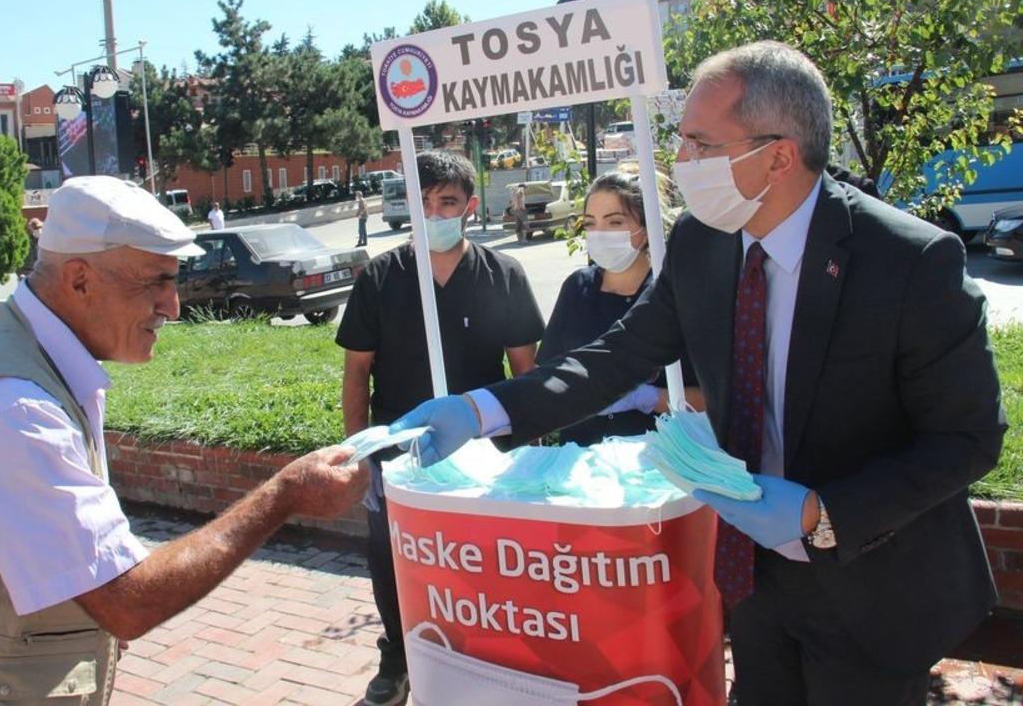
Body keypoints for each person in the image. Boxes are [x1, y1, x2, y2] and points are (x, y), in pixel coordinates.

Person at [392, 41, 1004, 705]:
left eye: (700, 145)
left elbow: (967, 438)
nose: (680, 164)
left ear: (779, 154)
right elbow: (615, 358)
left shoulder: (909, 262)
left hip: (869, 583)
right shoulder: (702, 242)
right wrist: (482, 410)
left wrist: (819, 512)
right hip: (754, 580)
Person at [0, 176, 368, 704]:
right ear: (80, 280)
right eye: (154, 281)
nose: (172, 306)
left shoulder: (6, 334)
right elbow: (128, 602)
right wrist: (284, 495)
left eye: (173, 280)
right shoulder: (13, 408)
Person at [337, 149, 545, 706]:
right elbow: (356, 372)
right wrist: (361, 457)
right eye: (422, 202)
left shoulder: (502, 274)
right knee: (391, 561)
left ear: (470, 208)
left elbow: (526, 372)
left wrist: (526, 457)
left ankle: (486, 664)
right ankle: (398, 660)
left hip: (483, 454)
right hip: (397, 453)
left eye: (447, 202)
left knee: (484, 565)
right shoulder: (382, 277)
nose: (434, 212)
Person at [539, 171, 703, 444]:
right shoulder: (577, 288)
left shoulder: (674, 292)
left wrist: (650, 398)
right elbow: (547, 375)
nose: (600, 235)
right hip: (582, 458)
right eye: (590, 224)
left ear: (646, 227)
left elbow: (714, 399)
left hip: (662, 462)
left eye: (615, 222)